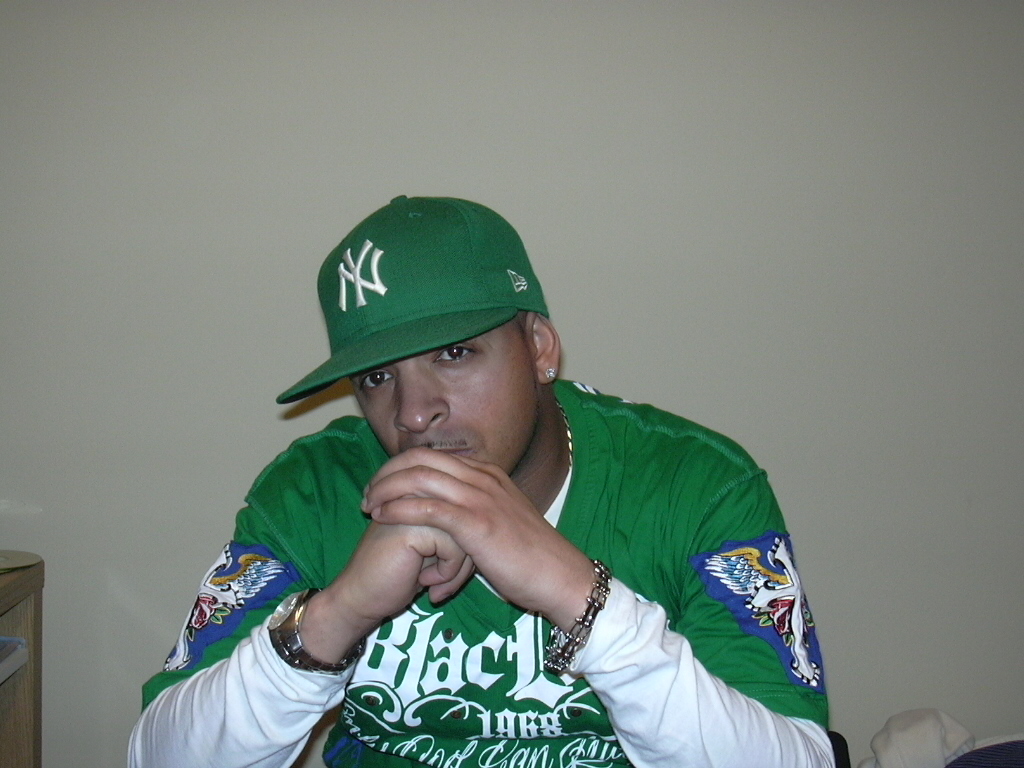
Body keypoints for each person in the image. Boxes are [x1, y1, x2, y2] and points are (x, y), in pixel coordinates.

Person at [129, 196, 834, 768]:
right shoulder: (314, 489)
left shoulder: (695, 483)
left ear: (539, 347)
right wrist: (337, 615)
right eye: (376, 377)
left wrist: (581, 597)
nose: (413, 413)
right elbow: (157, 758)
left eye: (454, 353)